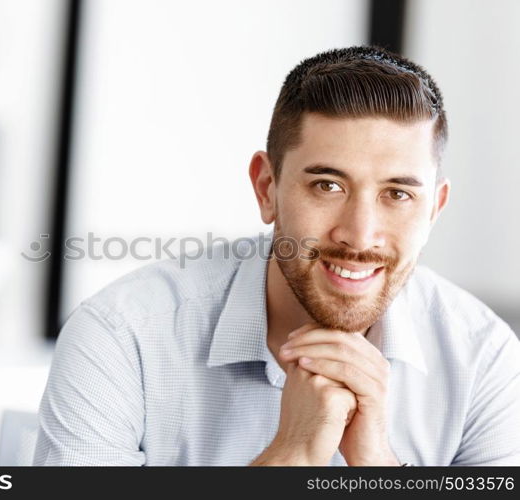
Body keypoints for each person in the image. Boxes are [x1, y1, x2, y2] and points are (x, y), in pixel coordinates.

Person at [33, 46, 520, 466]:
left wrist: (377, 465)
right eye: (327, 186)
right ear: (267, 188)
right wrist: (292, 455)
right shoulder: (123, 336)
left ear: (433, 209)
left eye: (398, 194)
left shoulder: (484, 359)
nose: (359, 234)